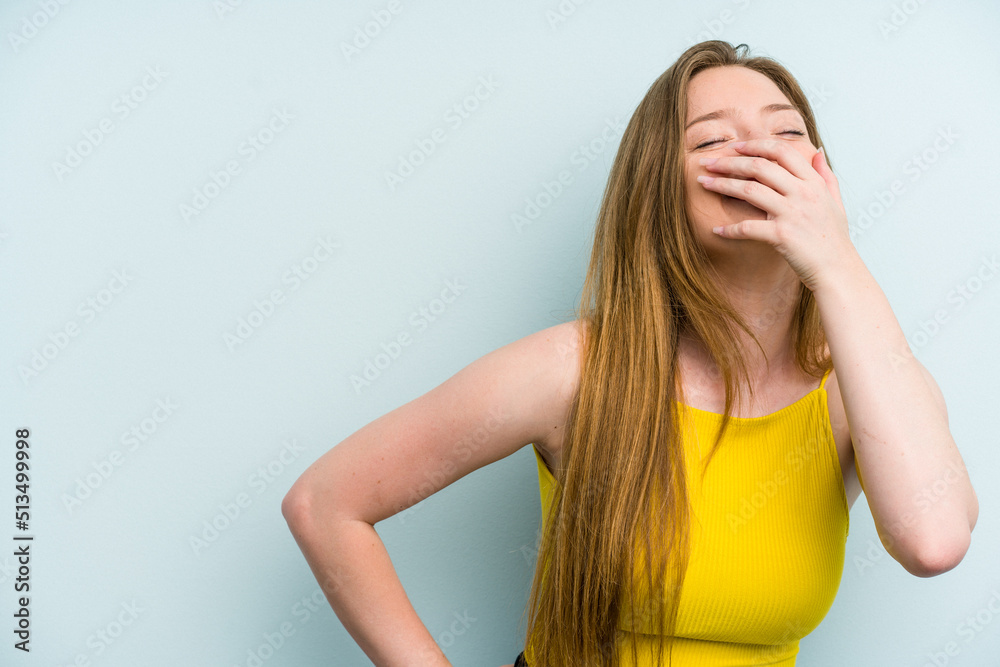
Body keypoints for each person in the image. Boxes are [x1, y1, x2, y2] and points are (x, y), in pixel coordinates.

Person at [281, 40, 978, 667]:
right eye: (713, 142)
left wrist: (837, 260)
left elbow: (934, 539)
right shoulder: (572, 370)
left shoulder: (863, 386)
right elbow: (324, 503)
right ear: (659, 192)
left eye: (788, 133)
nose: (762, 154)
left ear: (824, 179)